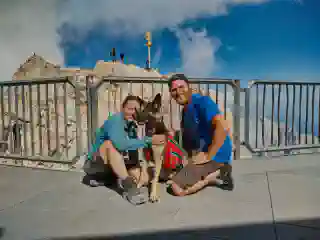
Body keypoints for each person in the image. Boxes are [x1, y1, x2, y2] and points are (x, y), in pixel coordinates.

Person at [84, 95, 166, 205]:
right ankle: (129, 188)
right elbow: (120, 144)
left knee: (144, 177)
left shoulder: (132, 126)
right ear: (122, 108)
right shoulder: (115, 120)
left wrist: (138, 171)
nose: (133, 112)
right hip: (96, 165)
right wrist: (149, 140)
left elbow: (132, 150)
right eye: (130, 109)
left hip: (113, 166)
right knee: (110, 145)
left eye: (136, 110)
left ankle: (111, 178)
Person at [167, 73, 234, 196]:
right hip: (202, 153)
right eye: (174, 90)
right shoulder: (185, 111)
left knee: (176, 188)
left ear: (189, 87)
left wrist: (209, 155)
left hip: (216, 154)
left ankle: (219, 172)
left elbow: (222, 127)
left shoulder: (203, 102)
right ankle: (215, 171)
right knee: (168, 175)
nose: (178, 92)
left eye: (181, 87)